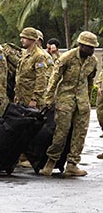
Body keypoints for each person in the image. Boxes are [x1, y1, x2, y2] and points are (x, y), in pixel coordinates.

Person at [40, 31, 100, 177]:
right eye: (90, 47)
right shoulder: (67, 58)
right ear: (81, 45)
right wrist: (48, 99)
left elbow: (90, 80)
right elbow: (54, 79)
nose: (92, 50)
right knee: (61, 132)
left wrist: (89, 98)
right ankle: (51, 161)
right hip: (65, 99)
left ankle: (72, 164)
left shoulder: (93, 61)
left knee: (80, 134)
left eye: (94, 47)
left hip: (82, 102)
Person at [14, 27, 51, 109]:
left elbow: (41, 79)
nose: (21, 40)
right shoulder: (25, 54)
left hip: (32, 100)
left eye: (24, 38)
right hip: (22, 98)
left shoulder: (39, 56)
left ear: (31, 39)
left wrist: (35, 99)